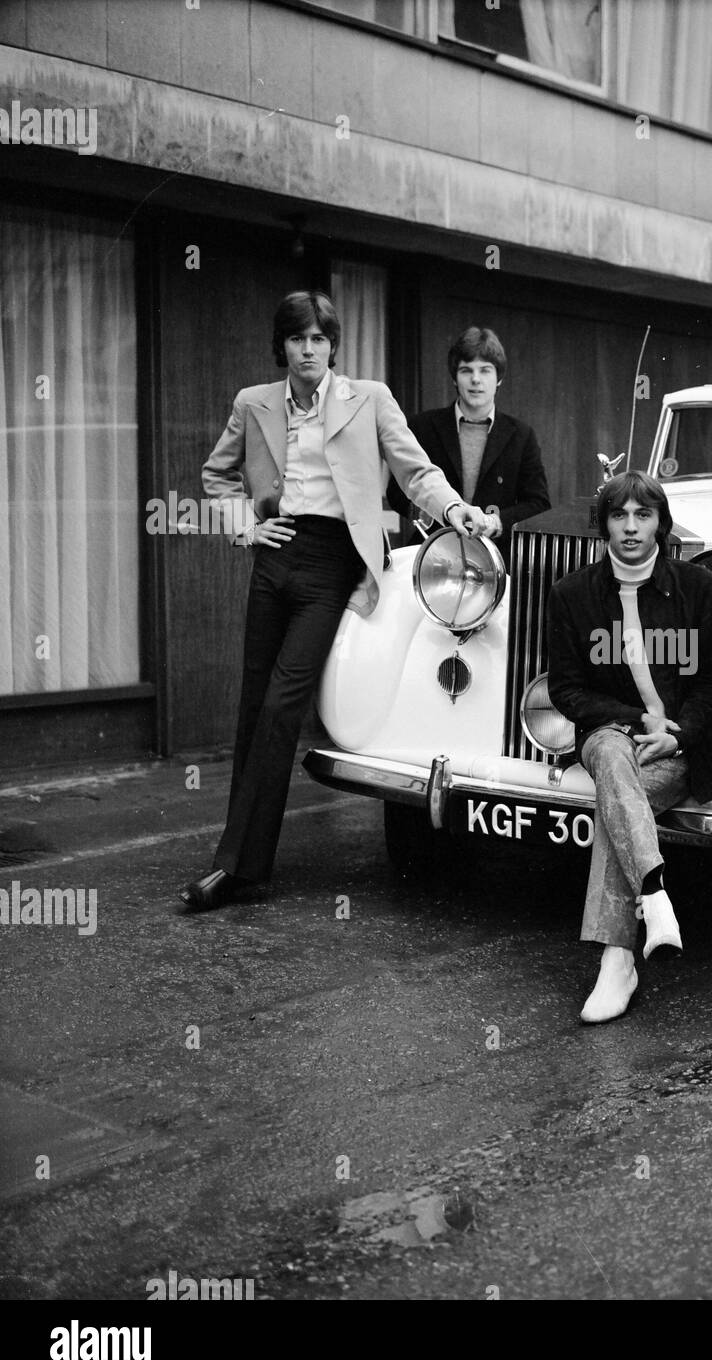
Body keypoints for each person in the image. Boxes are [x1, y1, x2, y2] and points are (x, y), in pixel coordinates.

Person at [180, 290, 498, 912]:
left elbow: (416, 471)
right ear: (284, 347)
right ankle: (238, 862)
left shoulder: (370, 398)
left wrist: (455, 509)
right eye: (298, 339)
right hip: (276, 557)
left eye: (319, 340)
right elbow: (215, 477)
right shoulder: (255, 404)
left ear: (332, 346)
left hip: (333, 566)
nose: (308, 350)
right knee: (253, 709)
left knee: (281, 705)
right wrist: (246, 523)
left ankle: (239, 866)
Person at [547, 472, 712, 1023]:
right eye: (619, 515)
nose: (630, 527)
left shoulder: (696, 590)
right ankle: (651, 900)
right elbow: (566, 691)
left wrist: (675, 732)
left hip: (672, 749)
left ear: (660, 523)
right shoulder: (571, 594)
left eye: (642, 515)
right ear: (603, 523)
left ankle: (619, 959)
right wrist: (635, 720)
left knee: (615, 802)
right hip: (610, 734)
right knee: (608, 755)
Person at [392, 326, 550, 554]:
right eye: (466, 370)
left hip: (495, 557)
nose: (476, 379)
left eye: (485, 370)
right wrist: (432, 514)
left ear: (499, 379)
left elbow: (539, 504)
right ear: (455, 378)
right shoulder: (422, 426)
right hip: (432, 552)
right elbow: (396, 491)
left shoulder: (521, 435)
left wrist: (494, 523)